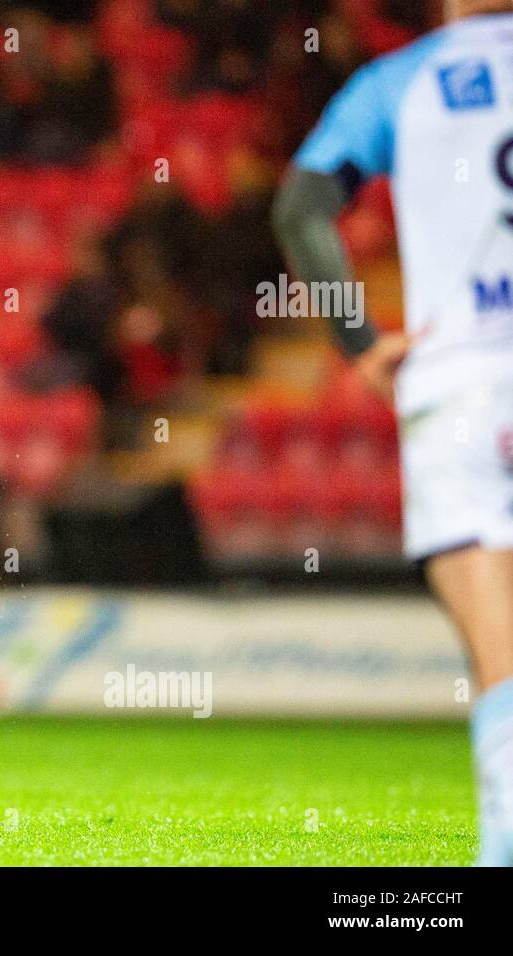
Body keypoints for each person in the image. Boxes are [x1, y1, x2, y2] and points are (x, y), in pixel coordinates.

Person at [273, 0, 513, 865]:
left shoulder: (399, 82)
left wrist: (361, 344)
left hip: (462, 385)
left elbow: (300, 211)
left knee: (501, 651)